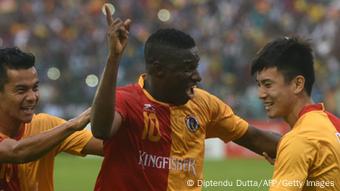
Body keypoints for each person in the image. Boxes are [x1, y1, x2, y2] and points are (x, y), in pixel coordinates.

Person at [90, 7, 279, 191]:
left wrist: (303, 145)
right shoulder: (127, 100)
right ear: (158, 70)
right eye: (188, 68)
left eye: (196, 67)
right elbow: (101, 130)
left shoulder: (204, 104)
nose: (197, 76)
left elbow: (255, 138)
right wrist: (114, 59)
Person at [0, 47, 103, 191]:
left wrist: (113, 60)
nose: (32, 97)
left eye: (35, 88)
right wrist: (72, 125)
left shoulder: (46, 125)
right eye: (21, 90)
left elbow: (107, 145)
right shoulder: (59, 130)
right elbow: (16, 152)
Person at [251, 36, 340, 190]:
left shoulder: (299, 140)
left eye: (268, 84)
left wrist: (291, 155)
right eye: (259, 85)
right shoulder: (333, 124)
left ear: (298, 84)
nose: (261, 94)